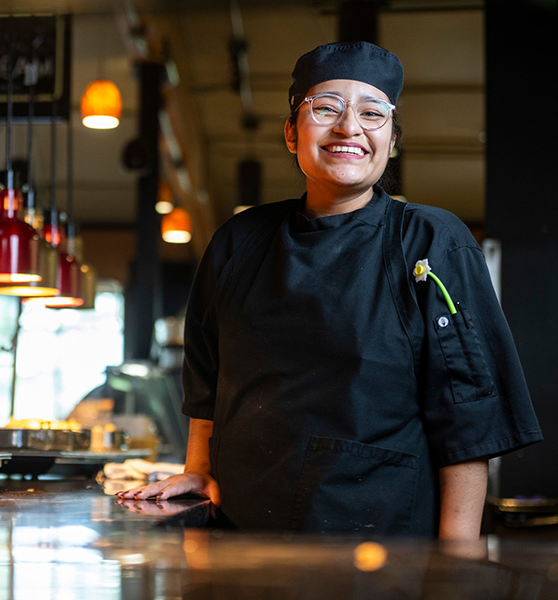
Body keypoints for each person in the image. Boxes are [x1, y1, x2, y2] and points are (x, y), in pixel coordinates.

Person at [118, 41, 542, 539]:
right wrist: (199, 468)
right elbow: (208, 380)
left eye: (372, 113)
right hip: (243, 536)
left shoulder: (430, 241)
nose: (348, 128)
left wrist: (457, 562)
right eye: (325, 108)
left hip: (382, 547)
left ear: (392, 140)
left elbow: (468, 421)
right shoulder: (239, 240)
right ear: (291, 133)